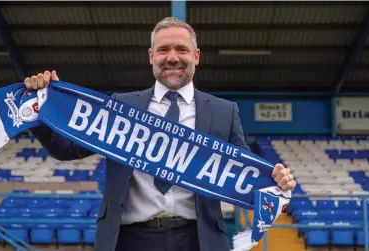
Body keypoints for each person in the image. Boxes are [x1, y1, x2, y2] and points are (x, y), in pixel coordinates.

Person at [26, 17, 296, 251]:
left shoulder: (225, 112)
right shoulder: (121, 106)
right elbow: (67, 149)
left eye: (181, 49)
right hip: (129, 239)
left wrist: (277, 180)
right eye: (164, 49)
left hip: (198, 239)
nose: (173, 57)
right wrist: (44, 109)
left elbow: (244, 173)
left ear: (196, 56)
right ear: (151, 56)